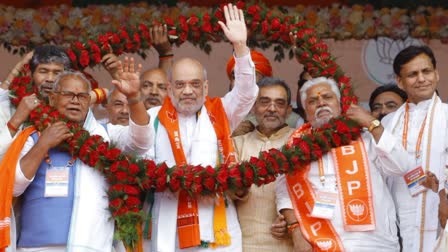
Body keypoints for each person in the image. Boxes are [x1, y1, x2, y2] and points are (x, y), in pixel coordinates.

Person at [0, 57, 151, 251]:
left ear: (89, 102)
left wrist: (134, 97)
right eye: (68, 94)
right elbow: (13, 186)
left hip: (91, 246)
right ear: (52, 98)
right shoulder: (32, 136)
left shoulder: (105, 134)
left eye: (82, 96)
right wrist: (43, 144)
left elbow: (141, 142)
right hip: (36, 248)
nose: (75, 101)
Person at [146, 4, 257, 251]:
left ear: (206, 88)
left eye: (195, 84)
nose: (188, 91)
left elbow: (246, 93)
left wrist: (240, 47)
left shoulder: (221, 112)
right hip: (169, 224)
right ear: (169, 88)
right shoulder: (152, 118)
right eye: (181, 84)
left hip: (217, 224)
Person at [276, 77, 412, 251]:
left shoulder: (367, 137)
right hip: (321, 241)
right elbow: (283, 191)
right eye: (312, 101)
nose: (321, 103)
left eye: (327, 97)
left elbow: (402, 165)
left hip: (375, 243)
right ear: (305, 111)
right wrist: (295, 232)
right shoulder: (295, 147)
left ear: (340, 104)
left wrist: (372, 123)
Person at [382, 45, 448, 252]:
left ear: (436, 74)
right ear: (400, 82)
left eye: (426, 71)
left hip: (439, 212)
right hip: (398, 215)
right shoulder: (387, 122)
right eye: (412, 74)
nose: (421, 79)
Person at [233, 77, 294, 251]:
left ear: (288, 110)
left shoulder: (299, 141)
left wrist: (293, 220)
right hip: (244, 245)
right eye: (265, 102)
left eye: (279, 103)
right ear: (253, 107)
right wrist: (237, 189)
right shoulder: (237, 144)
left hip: (287, 245)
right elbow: (224, 193)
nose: (272, 109)